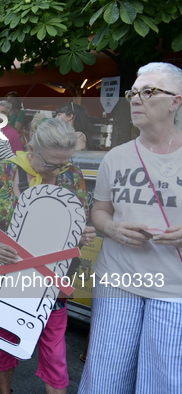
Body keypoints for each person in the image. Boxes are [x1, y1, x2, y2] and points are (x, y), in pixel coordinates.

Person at [0, 118, 96, 394]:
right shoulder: (5, 171)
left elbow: (79, 223)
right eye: (52, 164)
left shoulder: (72, 175)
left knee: (55, 356)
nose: (60, 169)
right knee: (2, 346)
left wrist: (83, 234)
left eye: (65, 162)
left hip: (52, 282)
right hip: (7, 280)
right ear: (31, 149)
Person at [79, 62, 182, 393]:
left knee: (163, 383)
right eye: (133, 92)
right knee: (105, 378)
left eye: (148, 92)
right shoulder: (116, 157)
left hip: (174, 291)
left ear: (176, 101)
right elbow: (100, 211)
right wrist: (111, 228)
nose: (136, 99)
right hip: (117, 280)